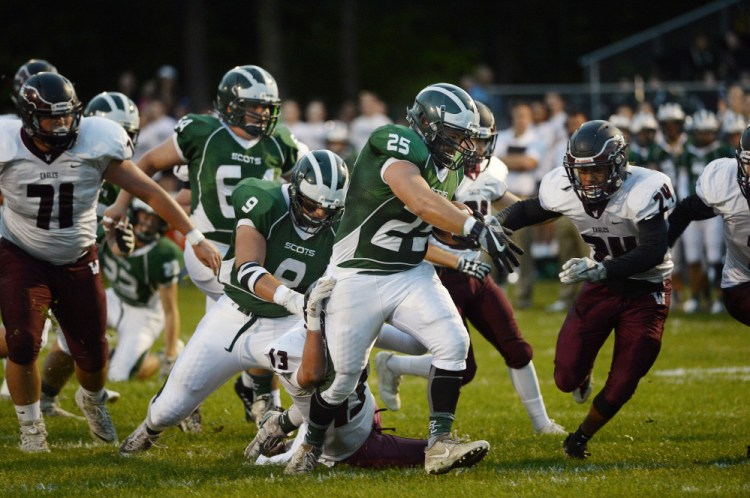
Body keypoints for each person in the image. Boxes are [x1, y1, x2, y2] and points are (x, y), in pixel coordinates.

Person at [285, 83, 522, 476]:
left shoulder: (451, 166)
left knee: (454, 342)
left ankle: (440, 443)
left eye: (466, 137)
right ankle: (310, 443)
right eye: (454, 135)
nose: (462, 145)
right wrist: (473, 228)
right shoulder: (392, 143)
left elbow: (440, 210)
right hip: (357, 273)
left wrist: (474, 222)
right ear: (427, 126)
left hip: (409, 271)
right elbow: (419, 199)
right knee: (343, 378)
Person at [0, 72, 220, 453]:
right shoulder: (7, 145)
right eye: (53, 118)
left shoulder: (94, 142)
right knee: (22, 342)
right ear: (30, 118)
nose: (63, 125)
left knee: (93, 349)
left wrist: (195, 235)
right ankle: (32, 428)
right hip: (23, 254)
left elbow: (149, 191)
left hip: (78, 256)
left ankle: (94, 400)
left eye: (68, 116)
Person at [106, 65, 308, 423]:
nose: (263, 114)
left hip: (257, 249)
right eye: (254, 106)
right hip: (209, 246)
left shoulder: (280, 141)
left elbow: (303, 182)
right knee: (259, 310)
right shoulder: (203, 132)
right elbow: (148, 162)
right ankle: (250, 395)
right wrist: (121, 206)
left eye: (267, 107)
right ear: (230, 104)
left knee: (243, 318)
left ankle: (242, 390)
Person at [118, 149, 349, 455]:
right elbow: (248, 269)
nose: (318, 215)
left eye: (328, 210)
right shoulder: (265, 201)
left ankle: (279, 424)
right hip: (233, 316)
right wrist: (296, 301)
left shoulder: (342, 226)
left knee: (323, 389)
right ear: (295, 191)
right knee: (167, 411)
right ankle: (147, 430)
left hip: (287, 324)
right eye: (311, 204)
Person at [374, 102, 565, 436]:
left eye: (480, 140)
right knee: (464, 368)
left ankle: (542, 423)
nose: (473, 148)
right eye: (467, 139)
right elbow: (417, 234)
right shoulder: (436, 174)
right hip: (441, 275)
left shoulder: (493, 173)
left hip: (477, 272)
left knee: (516, 347)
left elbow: (514, 205)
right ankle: (393, 364)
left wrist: (555, 206)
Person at [499, 119, 675, 459]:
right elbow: (527, 210)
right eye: (582, 172)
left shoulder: (645, 188)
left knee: (625, 378)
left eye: (597, 171)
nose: (588, 180)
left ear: (619, 164)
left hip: (647, 290)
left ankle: (581, 436)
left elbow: (653, 250)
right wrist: (494, 221)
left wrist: (602, 268)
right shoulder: (563, 186)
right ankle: (583, 375)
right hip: (601, 284)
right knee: (565, 377)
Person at [38, 90, 151, 418]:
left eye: (129, 135)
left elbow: (112, 243)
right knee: (27, 335)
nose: (123, 144)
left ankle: (46, 401)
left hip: (73, 267)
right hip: (34, 259)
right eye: (118, 134)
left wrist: (122, 243)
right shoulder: (64, 162)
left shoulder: (119, 182)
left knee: (80, 337)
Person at [244, 279, 429, 469]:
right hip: (350, 445)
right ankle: (291, 439)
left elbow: (415, 344)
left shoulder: (352, 325)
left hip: (363, 412)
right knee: (432, 452)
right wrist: (315, 322)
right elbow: (312, 378)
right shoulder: (286, 347)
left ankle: (280, 428)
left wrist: (392, 310)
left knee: (331, 392)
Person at [667, 124, 750, 326]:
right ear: (739, 161)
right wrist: (657, 247)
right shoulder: (726, 182)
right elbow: (686, 210)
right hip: (742, 284)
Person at [674, 110, 733, 314]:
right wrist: (687, 206)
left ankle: (718, 298)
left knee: (715, 257)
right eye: (700, 132)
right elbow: (682, 182)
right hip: (693, 211)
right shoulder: (687, 153)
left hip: (712, 211)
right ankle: (697, 297)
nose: (704, 136)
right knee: (693, 257)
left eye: (708, 132)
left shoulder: (721, 150)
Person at [493, 100, 546, 308]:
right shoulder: (504, 136)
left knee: (523, 250)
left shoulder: (536, 139)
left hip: (523, 199)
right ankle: (496, 292)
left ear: (530, 119)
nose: (521, 120)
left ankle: (523, 296)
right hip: (499, 198)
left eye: (524, 116)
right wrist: (518, 160)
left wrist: (505, 159)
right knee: (494, 245)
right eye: (517, 116)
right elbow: (492, 160)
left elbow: (529, 163)